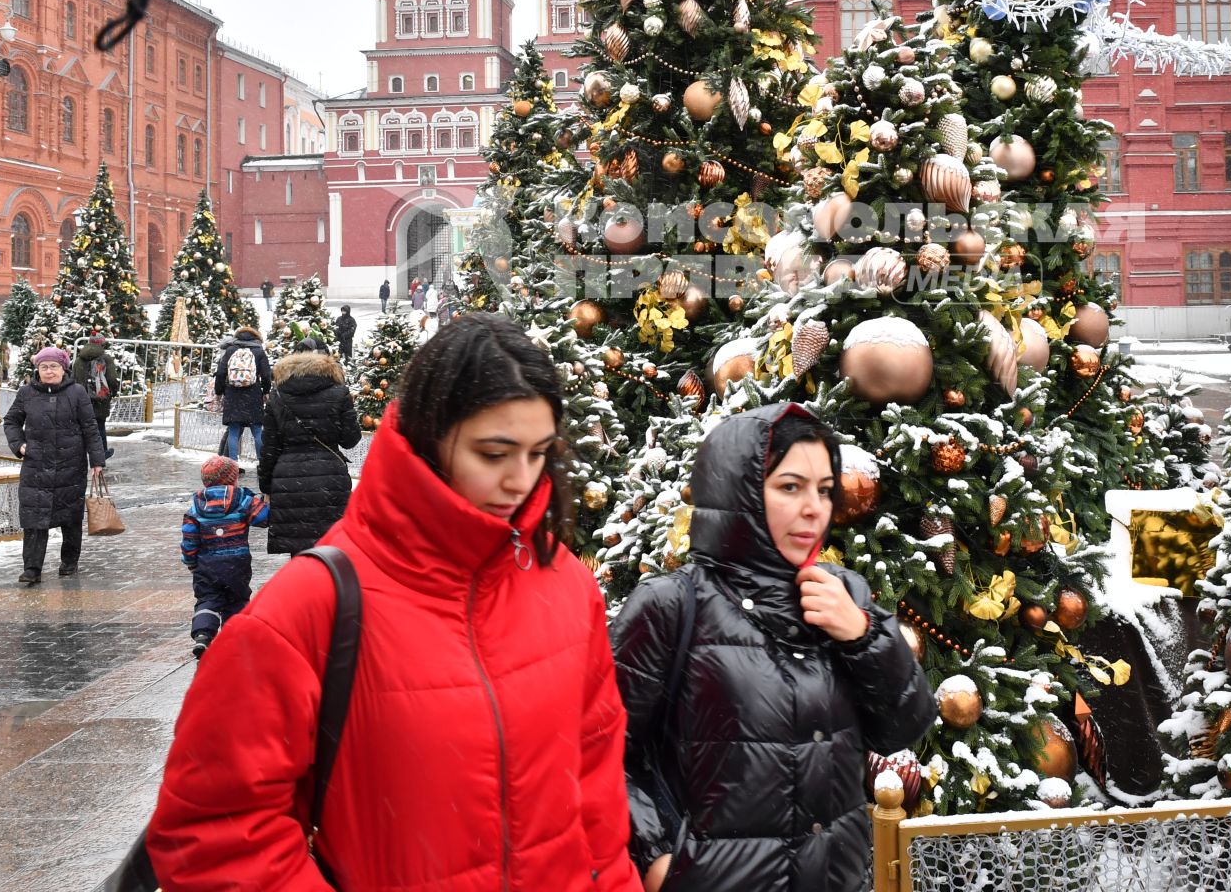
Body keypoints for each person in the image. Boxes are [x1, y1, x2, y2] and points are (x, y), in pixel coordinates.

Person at [146, 314, 641, 891]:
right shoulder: (312, 607)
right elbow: (215, 833)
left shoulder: (566, 587)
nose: (521, 481)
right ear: (429, 439)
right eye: (493, 453)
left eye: (538, 453)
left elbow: (596, 791)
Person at [611, 403, 934, 892]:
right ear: (736, 490)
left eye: (825, 490)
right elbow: (601, 752)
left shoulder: (844, 594)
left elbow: (902, 728)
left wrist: (863, 635)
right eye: (790, 487)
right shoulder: (671, 605)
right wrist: (657, 855)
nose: (814, 509)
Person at [4, 346, 105, 585]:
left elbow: (90, 426)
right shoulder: (26, 393)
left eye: (54, 367)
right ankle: (32, 568)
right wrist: (19, 444)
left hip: (70, 465)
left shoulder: (77, 392)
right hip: (36, 467)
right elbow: (11, 421)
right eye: (44, 367)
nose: (49, 372)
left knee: (70, 517)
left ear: (64, 368)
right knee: (34, 518)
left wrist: (97, 460)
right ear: (37, 369)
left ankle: (69, 562)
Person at [258, 343, 362, 554]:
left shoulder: (278, 396)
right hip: (330, 478)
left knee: (299, 554)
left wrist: (267, 486)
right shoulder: (339, 393)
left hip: (289, 481)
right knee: (333, 548)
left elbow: (269, 448)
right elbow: (350, 439)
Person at [182, 454, 269, 658]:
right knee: (236, 600)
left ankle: (203, 635)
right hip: (236, 564)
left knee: (207, 600)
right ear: (232, 479)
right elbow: (264, 518)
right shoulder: (242, 500)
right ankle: (235, 637)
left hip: (206, 565)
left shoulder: (196, 506)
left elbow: (189, 538)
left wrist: (190, 561)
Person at [213, 327, 271, 462]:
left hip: (233, 394)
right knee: (257, 430)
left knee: (233, 431)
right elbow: (266, 375)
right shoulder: (258, 351)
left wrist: (219, 392)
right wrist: (266, 391)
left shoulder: (230, 350)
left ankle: (232, 464)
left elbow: (221, 373)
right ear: (256, 338)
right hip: (253, 394)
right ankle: (262, 463)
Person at [71, 334, 117, 459]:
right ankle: (102, 452)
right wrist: (112, 392)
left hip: (81, 398)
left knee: (82, 426)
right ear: (102, 344)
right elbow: (112, 379)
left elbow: (73, 379)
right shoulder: (106, 359)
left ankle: (80, 453)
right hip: (100, 400)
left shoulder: (79, 360)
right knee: (99, 426)